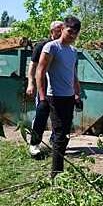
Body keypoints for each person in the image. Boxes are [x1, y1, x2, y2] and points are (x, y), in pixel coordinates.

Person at [36, 16, 82, 178]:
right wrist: (42, 98)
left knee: (65, 134)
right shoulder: (51, 47)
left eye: (75, 33)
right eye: (70, 31)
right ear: (62, 29)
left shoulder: (73, 51)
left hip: (69, 97)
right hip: (54, 97)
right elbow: (40, 72)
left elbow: (73, 75)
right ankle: (55, 173)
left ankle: (58, 169)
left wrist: (77, 93)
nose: (72, 36)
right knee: (60, 134)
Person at [26, 20, 63, 157]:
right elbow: (33, 67)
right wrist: (31, 83)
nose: (61, 32)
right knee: (41, 113)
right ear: (51, 32)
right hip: (44, 85)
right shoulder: (42, 46)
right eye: (58, 30)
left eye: (62, 29)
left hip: (59, 87)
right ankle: (34, 144)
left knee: (58, 116)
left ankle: (55, 141)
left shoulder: (64, 47)